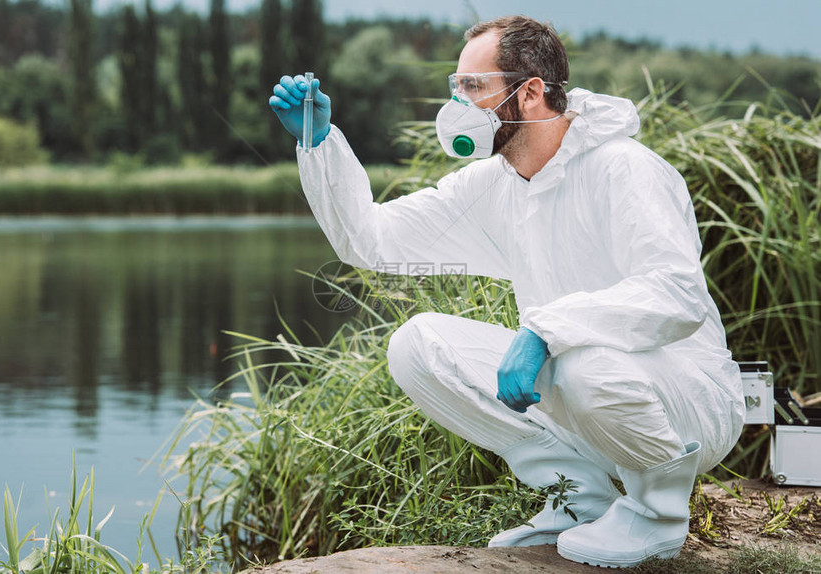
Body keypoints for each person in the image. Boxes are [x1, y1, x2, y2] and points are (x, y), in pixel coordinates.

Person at [269, 15, 745, 569]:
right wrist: (320, 144)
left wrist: (546, 331)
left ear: (532, 92)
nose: (458, 106)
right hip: (589, 391)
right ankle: (578, 497)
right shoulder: (495, 184)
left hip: (689, 404)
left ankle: (656, 515)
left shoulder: (625, 169)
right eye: (457, 88)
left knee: (584, 362)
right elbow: (371, 242)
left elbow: (676, 294)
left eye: (475, 88)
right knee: (418, 345)